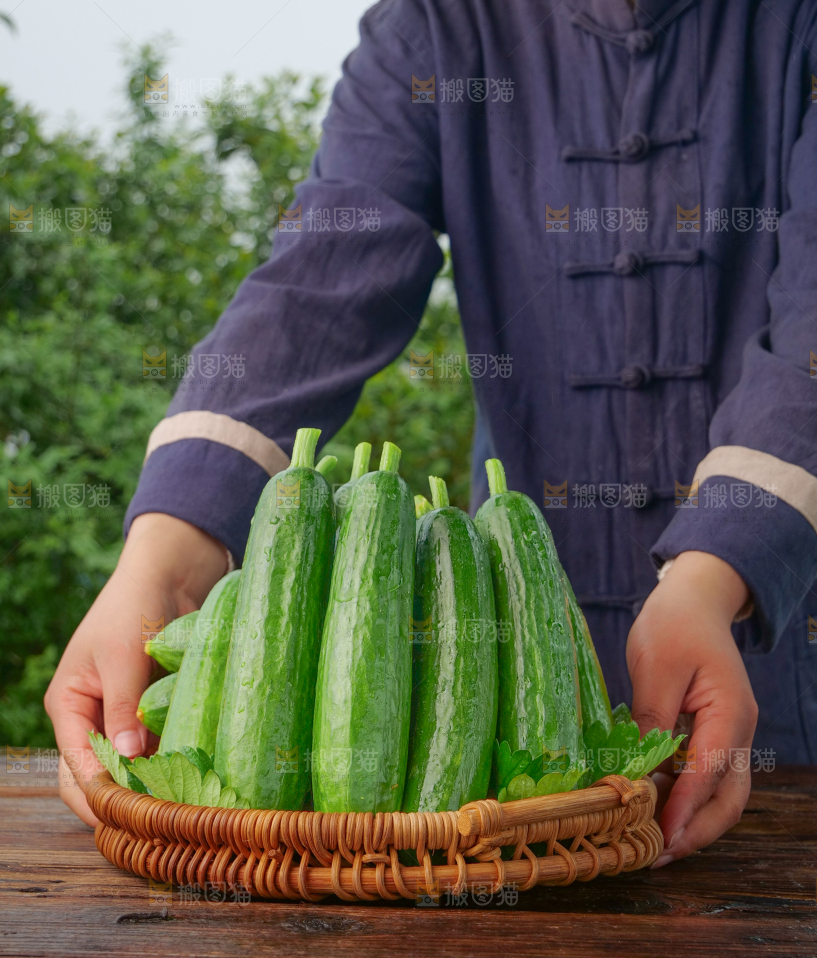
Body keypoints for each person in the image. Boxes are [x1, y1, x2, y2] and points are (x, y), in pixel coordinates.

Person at [46, 0, 817, 869]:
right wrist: (162, 558)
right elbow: (320, 283)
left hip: (770, 676)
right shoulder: (435, 27)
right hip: (474, 703)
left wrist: (714, 582)